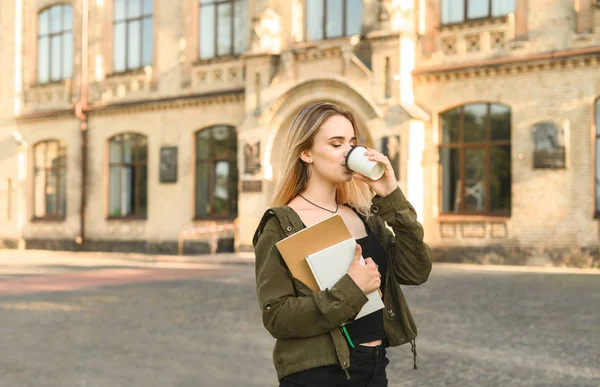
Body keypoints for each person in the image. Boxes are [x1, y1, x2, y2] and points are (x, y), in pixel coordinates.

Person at [253, 102, 432, 387]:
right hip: (319, 374)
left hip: (374, 367)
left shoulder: (364, 216)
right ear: (306, 153)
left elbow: (416, 271)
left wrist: (392, 197)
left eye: (352, 143)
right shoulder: (282, 224)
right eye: (336, 144)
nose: (348, 153)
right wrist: (351, 288)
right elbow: (277, 316)